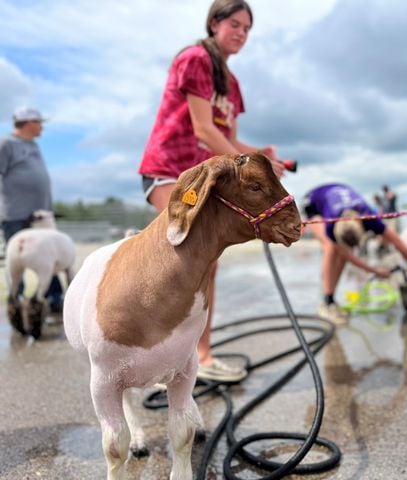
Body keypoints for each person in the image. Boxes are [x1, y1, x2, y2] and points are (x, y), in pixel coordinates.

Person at [138, 0, 292, 382]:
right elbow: (205, 130)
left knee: (208, 264)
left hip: (206, 174)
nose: (241, 33)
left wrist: (262, 157)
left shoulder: (233, 83)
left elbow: (229, 138)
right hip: (171, 169)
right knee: (182, 257)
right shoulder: (194, 59)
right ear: (214, 23)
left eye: (247, 29)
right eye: (235, 24)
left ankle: (199, 356)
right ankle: (154, 352)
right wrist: (255, 165)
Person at [302, 183, 407, 325]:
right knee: (331, 248)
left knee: (340, 254)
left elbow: (398, 243)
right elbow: (346, 254)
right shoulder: (331, 225)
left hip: (337, 192)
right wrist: (375, 271)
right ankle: (327, 302)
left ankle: (330, 299)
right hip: (313, 200)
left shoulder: (370, 218)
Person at [0, 107, 64, 312]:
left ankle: (54, 299)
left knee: (50, 256)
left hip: (41, 216)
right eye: (39, 122)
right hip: (16, 214)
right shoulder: (7, 144)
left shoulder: (33, 146)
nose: (42, 126)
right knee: (16, 261)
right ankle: (16, 303)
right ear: (28, 122)